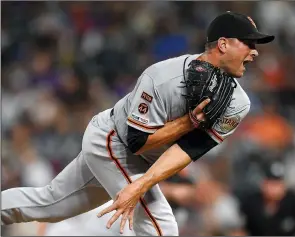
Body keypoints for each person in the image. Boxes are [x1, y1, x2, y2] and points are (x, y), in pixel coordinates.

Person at [1, 11, 274, 236]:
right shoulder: (162, 77)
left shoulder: (238, 103)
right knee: (161, 226)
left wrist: (142, 184)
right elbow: (136, 142)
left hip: (143, 160)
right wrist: (188, 123)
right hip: (112, 140)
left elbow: (188, 150)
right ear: (223, 44)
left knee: (51, 205)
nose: (255, 52)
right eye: (249, 43)